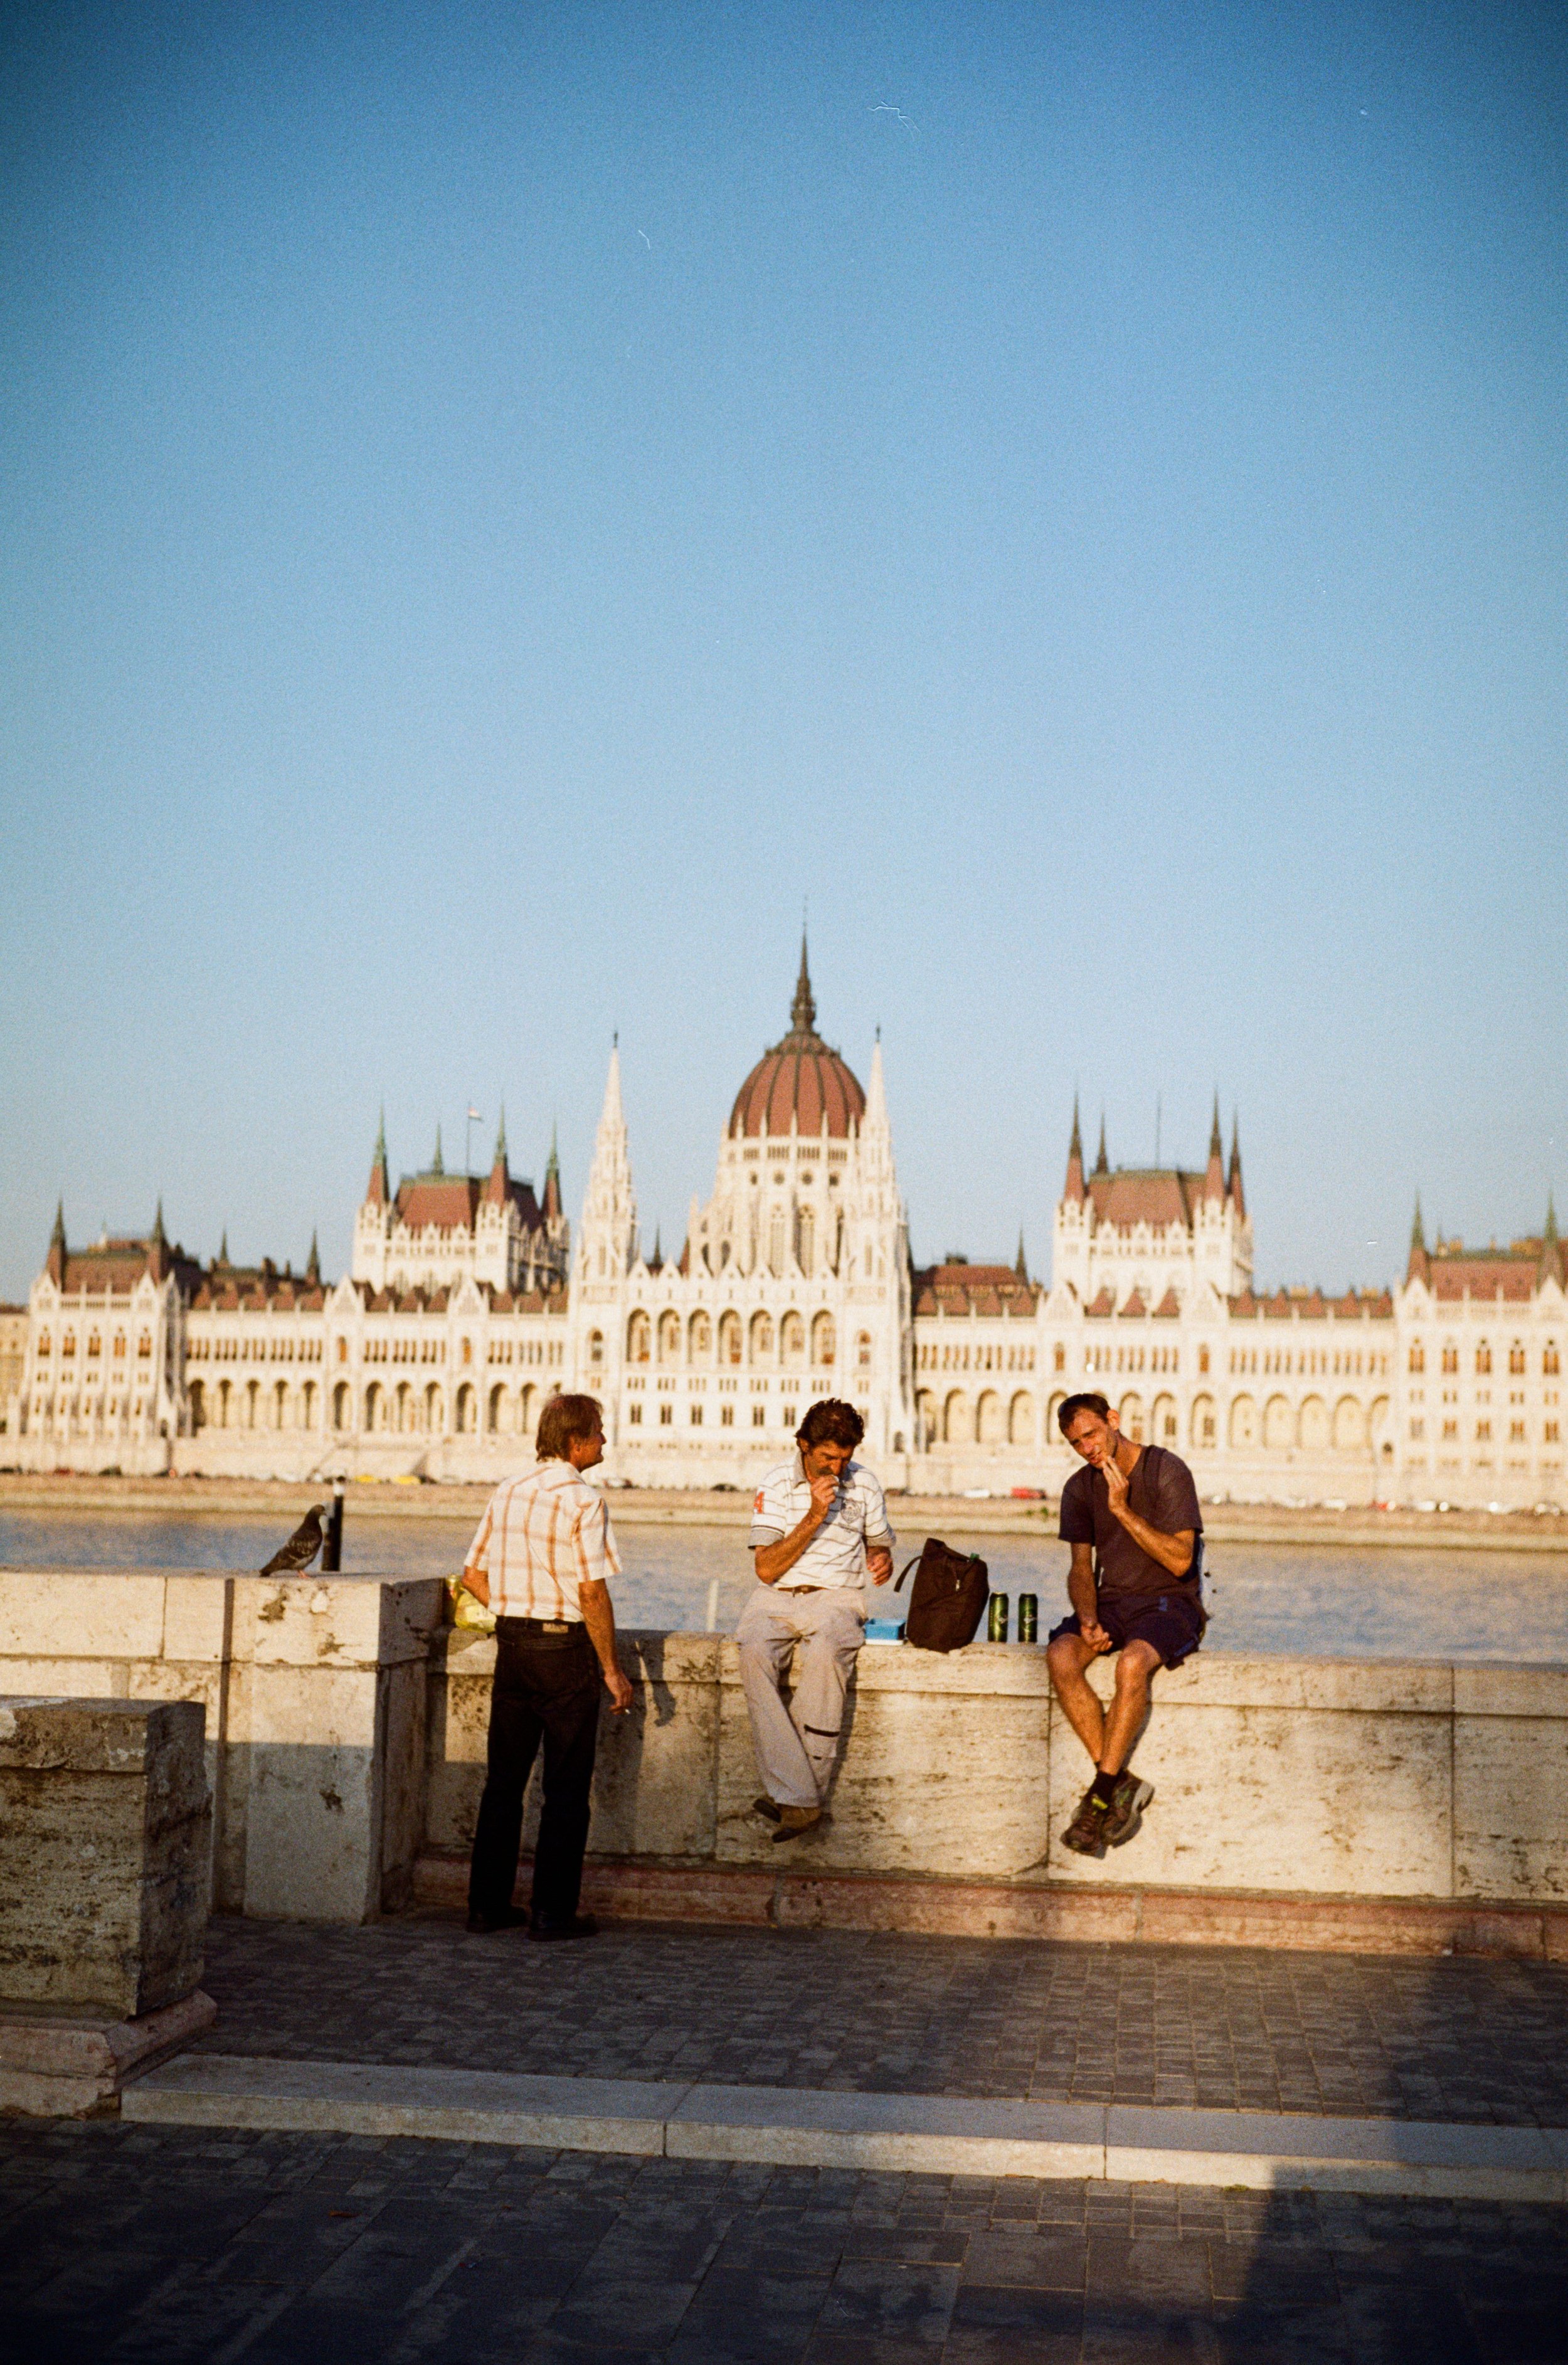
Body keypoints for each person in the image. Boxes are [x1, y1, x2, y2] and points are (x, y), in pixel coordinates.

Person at [459, 1393, 633, 1938]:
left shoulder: (509, 1490)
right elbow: (592, 1594)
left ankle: (487, 1907)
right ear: (576, 1441)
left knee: (504, 1786)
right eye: (600, 1431)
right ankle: (551, 1913)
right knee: (564, 1789)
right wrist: (611, 1668)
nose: (606, 1440)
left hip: (514, 1649)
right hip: (563, 1656)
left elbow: (472, 1575)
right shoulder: (585, 1500)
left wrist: (518, 1612)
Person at [1044, 1391, 1204, 1858]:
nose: (1088, 1449)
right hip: (1113, 1602)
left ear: (1113, 1421)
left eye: (1092, 1434)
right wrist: (1089, 1616)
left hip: (1170, 1603)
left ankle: (1096, 1801)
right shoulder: (1079, 1489)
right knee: (1060, 1655)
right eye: (1077, 1443)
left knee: (1132, 1665)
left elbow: (1180, 1562)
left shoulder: (1166, 1471)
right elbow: (1080, 1569)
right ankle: (1118, 1782)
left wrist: (1122, 1511)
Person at [739, 1398, 894, 1840]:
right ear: (804, 1446)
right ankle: (801, 1797)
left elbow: (880, 1544)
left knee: (827, 1654)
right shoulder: (774, 1483)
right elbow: (766, 1568)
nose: (837, 1468)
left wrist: (881, 1558)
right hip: (776, 1594)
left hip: (838, 1597)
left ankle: (795, 1796)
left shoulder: (864, 1483)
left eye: (845, 1459)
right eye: (828, 1457)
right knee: (752, 1654)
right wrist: (813, 1514)